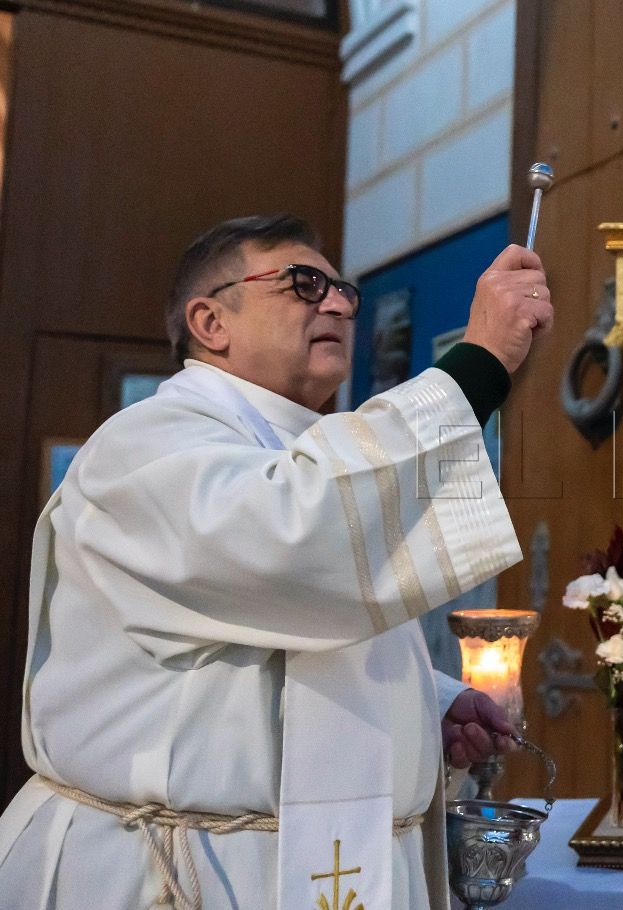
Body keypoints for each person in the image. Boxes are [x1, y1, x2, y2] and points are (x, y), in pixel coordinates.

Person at [0, 214, 553, 910]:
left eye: (344, 291)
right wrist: (478, 362)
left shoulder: (305, 450)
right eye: (303, 283)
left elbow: (292, 627)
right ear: (210, 320)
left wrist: (425, 706)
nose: (338, 303)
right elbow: (293, 541)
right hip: (179, 872)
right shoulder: (145, 444)